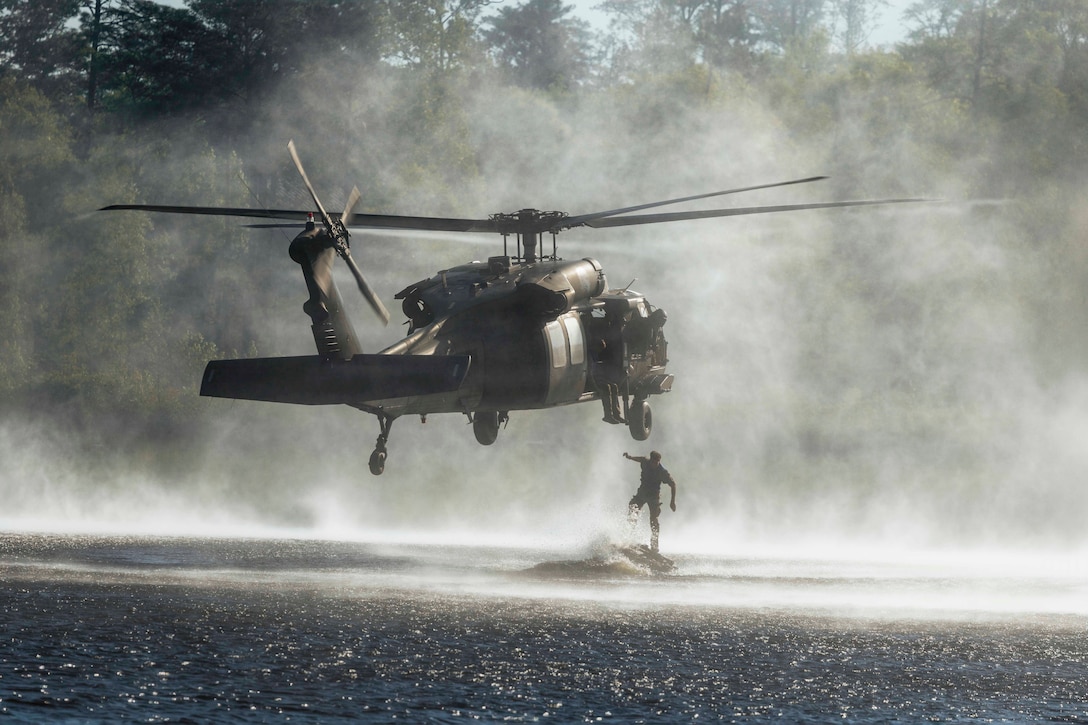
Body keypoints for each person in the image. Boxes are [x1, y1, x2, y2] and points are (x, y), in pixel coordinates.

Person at [623, 450, 677, 552]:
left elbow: (673, 484)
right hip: (642, 493)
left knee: (653, 519)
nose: (655, 464)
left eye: (657, 462)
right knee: (632, 509)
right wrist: (629, 457)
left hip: (653, 496)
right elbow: (639, 459)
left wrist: (672, 501)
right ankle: (629, 538)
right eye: (653, 462)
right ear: (651, 460)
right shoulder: (645, 462)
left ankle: (654, 545)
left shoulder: (662, 472)